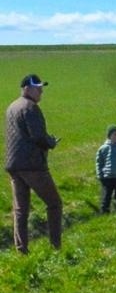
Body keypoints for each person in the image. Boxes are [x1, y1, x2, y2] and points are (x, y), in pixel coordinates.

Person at [5, 73, 62, 253]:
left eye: (41, 89)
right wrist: (51, 142)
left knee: (21, 210)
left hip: (14, 165)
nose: (41, 92)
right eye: (37, 89)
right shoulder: (30, 108)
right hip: (32, 165)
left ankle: (22, 250)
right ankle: (56, 247)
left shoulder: (12, 106)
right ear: (26, 88)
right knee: (54, 204)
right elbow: (38, 137)